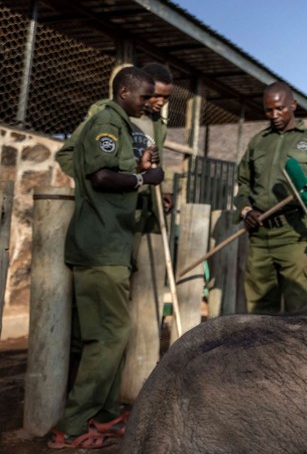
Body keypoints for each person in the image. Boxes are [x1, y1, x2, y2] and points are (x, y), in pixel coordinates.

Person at [49, 67, 163, 449]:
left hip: (110, 244)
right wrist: (142, 180)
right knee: (109, 336)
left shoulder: (119, 124)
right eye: (144, 97)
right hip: (99, 246)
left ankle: (107, 413)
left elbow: (113, 169)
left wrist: (137, 167)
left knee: (108, 334)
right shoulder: (105, 122)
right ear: (124, 91)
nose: (148, 104)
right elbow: (100, 176)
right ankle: (74, 424)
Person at [234, 81, 307, 314]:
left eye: (280, 108)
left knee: (297, 314)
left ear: (293, 105)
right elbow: (242, 184)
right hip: (260, 237)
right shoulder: (258, 142)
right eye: (269, 110)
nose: (274, 115)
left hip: (294, 236)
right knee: (258, 315)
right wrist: (245, 211)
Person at [57, 62, 174, 212]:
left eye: (166, 98)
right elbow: (68, 153)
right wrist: (93, 183)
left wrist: (165, 189)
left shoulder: (158, 124)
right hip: (109, 205)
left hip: (140, 208)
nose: (161, 102)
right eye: (156, 96)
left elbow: (155, 163)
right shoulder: (107, 115)